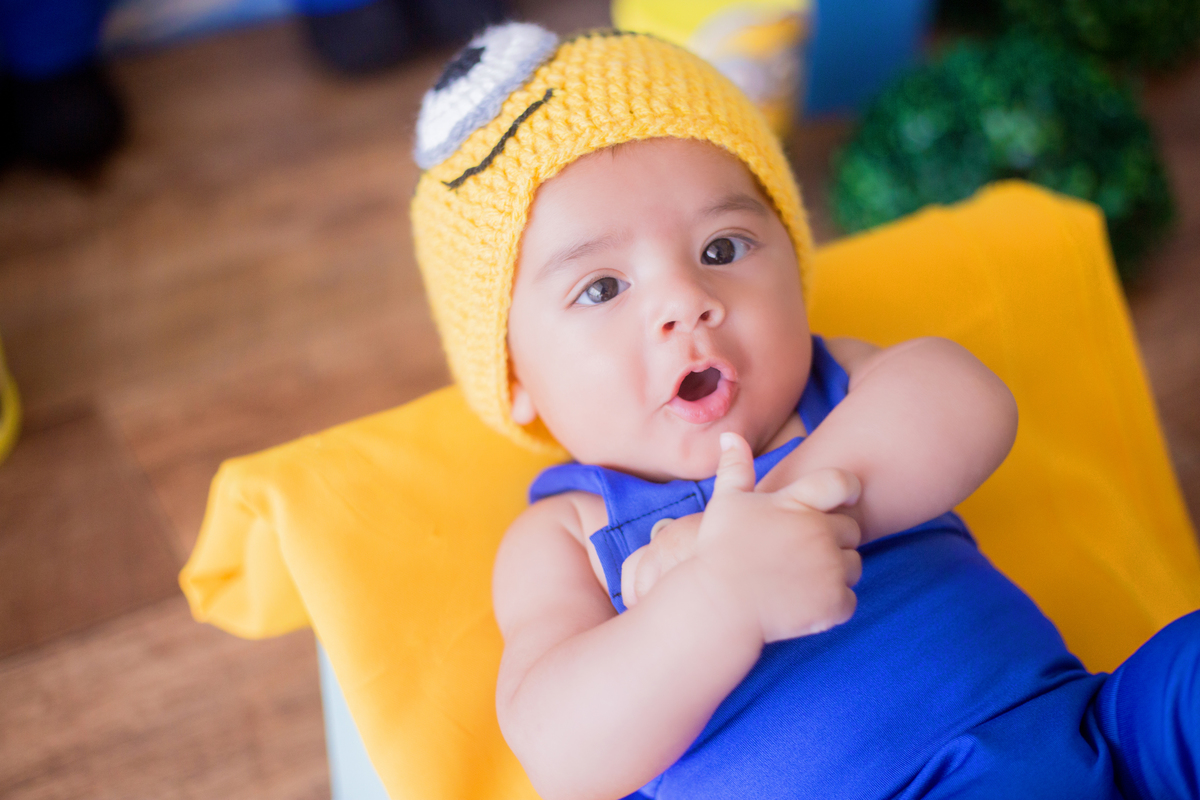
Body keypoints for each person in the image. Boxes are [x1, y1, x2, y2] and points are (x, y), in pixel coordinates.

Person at [409, 22, 1200, 800]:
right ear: (514, 375)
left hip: (1093, 729)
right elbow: (562, 753)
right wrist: (719, 596)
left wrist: (775, 515)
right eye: (602, 287)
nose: (687, 299)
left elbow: (968, 402)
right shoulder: (568, 535)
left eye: (722, 248)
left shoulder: (835, 385)